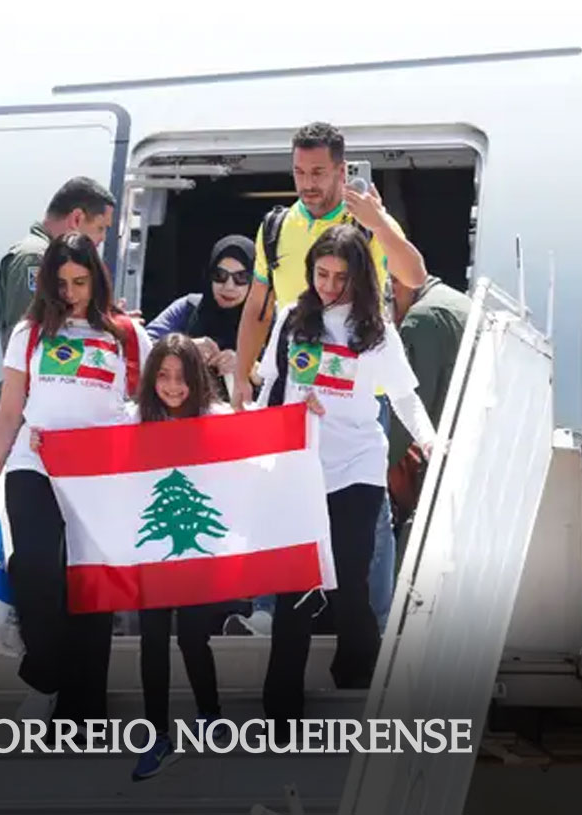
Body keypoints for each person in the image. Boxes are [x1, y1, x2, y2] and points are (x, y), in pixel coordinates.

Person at [232, 122, 429, 634]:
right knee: (283, 502)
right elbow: (258, 305)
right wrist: (243, 379)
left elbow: (414, 276)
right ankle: (271, 612)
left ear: (342, 171)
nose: (308, 183)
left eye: (318, 172)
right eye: (299, 172)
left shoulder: (366, 220)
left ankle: (371, 624)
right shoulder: (276, 226)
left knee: (367, 517)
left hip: (359, 389)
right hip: (295, 389)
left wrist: (379, 222)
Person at [255, 225, 435, 730]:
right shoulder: (291, 318)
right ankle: (281, 713)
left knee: (349, 581)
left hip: (357, 466)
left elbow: (403, 396)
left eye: (340, 277)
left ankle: (357, 679)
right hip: (299, 466)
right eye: (321, 274)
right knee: (294, 588)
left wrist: (430, 441)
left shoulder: (375, 329)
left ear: (359, 278)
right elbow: (272, 386)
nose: (329, 286)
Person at [32, 333, 229, 779]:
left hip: (197, 550)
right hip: (149, 549)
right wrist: (49, 443)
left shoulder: (217, 418)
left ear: (197, 380)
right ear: (151, 378)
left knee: (193, 636)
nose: (173, 387)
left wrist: (305, 418)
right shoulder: (132, 417)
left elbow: (258, 450)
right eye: (164, 376)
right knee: (152, 639)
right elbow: (91, 444)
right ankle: (158, 735)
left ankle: (210, 716)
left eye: (182, 377)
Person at [0, 232, 152, 730]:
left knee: (90, 589)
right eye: (62, 283)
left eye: (80, 281)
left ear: (97, 279)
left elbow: (153, 403)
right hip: (35, 464)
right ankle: (44, 676)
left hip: (100, 476)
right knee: (37, 566)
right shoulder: (30, 333)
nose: (71, 293)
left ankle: (84, 713)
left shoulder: (126, 335)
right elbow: (9, 412)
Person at [0, 177, 117, 430]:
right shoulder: (35, 259)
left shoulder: (43, 257)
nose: (102, 239)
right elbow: (33, 337)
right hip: (29, 415)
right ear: (77, 219)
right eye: (101, 228)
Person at [387, 274, 472, 557]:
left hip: (443, 471)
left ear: (394, 283)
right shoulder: (458, 302)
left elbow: (402, 420)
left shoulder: (421, 320)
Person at [145, 235, 254, 397]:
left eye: (241, 278)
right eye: (220, 275)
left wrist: (248, 366)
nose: (229, 286)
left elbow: (289, 373)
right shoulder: (188, 307)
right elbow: (142, 345)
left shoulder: (269, 318)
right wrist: (185, 348)